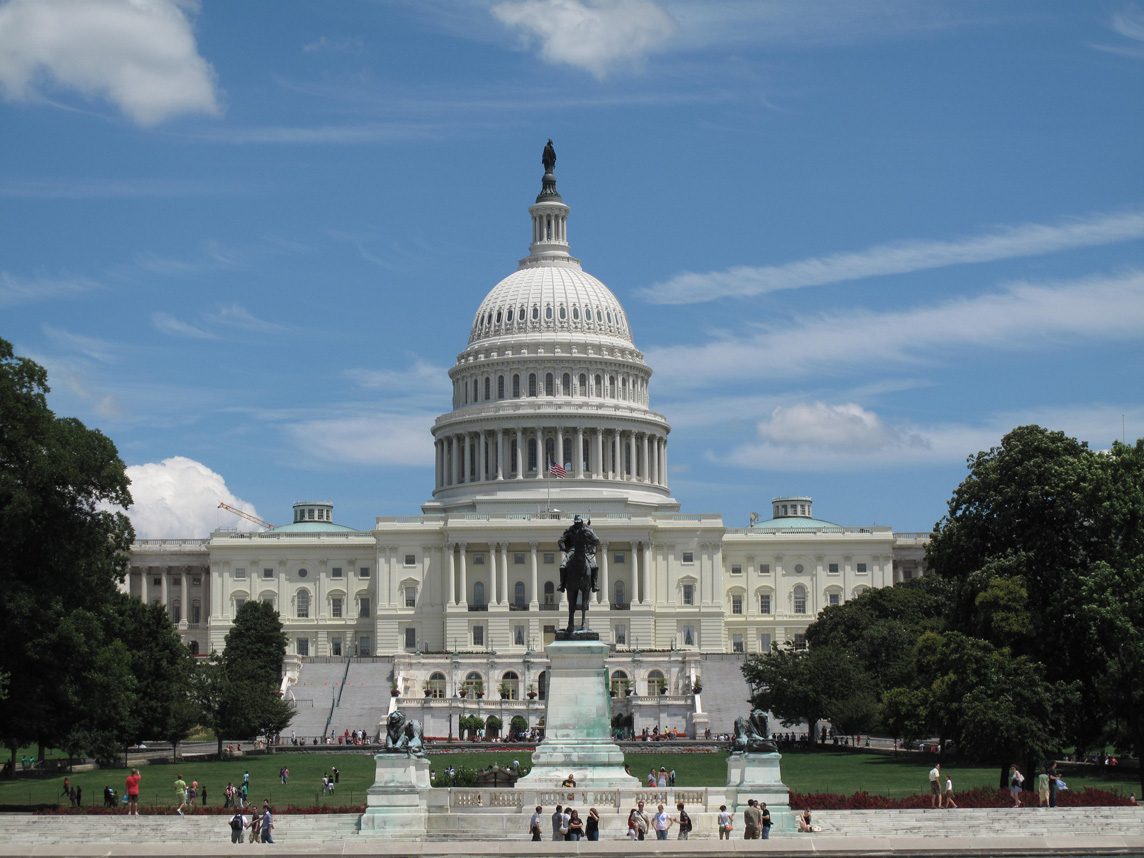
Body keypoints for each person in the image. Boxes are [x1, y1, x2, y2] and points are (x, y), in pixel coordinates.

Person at [557, 515, 599, 593]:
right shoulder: (570, 530)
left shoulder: (586, 529)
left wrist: (591, 547)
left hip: (584, 550)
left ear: (581, 522)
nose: (577, 524)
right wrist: (564, 548)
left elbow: (592, 539)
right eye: (576, 523)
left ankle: (594, 584)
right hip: (572, 550)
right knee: (563, 566)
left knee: (595, 566)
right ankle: (562, 584)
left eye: (578, 523)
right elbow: (561, 540)